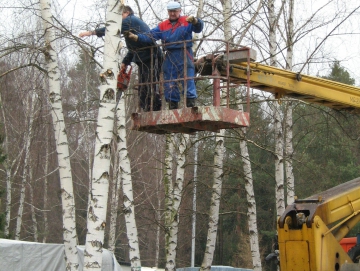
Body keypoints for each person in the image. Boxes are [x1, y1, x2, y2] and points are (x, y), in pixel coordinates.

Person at [79, 6, 162, 111]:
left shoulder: (129, 20)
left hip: (152, 56)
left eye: (120, 15)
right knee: (143, 85)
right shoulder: (130, 27)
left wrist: (91, 33)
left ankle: (153, 108)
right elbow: (133, 49)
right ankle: (146, 108)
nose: (119, 18)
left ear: (127, 13)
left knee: (149, 83)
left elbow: (112, 29)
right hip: (144, 58)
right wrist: (125, 62)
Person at [125, 1, 204, 109]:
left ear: (179, 11)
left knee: (188, 78)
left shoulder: (187, 21)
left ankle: (191, 104)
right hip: (170, 54)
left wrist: (196, 21)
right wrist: (137, 37)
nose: (172, 14)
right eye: (171, 11)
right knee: (169, 80)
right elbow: (150, 36)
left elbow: (198, 28)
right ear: (168, 12)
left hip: (184, 53)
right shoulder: (163, 26)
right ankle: (173, 105)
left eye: (175, 11)